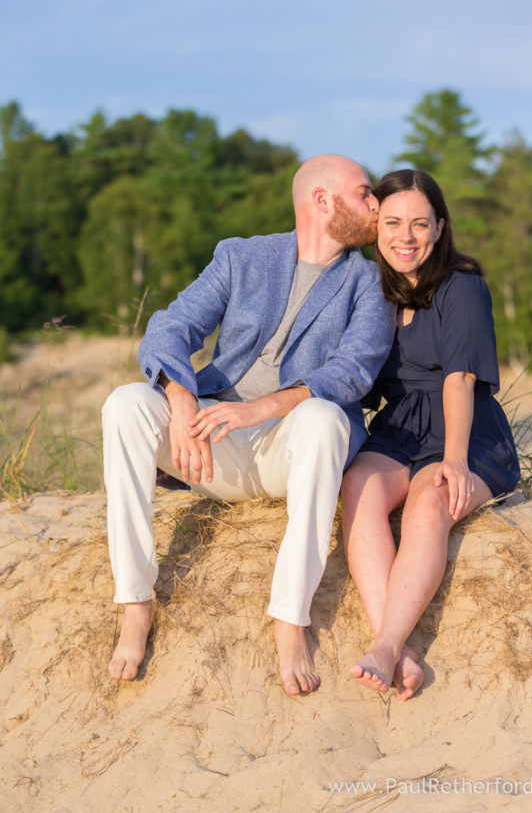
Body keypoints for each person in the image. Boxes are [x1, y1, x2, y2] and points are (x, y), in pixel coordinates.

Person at [102, 153, 397, 696]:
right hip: (211, 445)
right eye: (363, 193)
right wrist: (182, 397)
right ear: (322, 199)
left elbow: (354, 369)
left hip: (294, 451)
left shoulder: (369, 281)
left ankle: (291, 619)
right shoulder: (241, 257)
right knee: (124, 402)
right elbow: (170, 326)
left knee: (325, 416)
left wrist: (262, 408)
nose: (376, 205)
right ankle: (136, 603)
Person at [341, 169, 520, 700]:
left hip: (465, 429)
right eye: (393, 222)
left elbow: (461, 378)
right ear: (376, 226)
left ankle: (387, 644)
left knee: (428, 504)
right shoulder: (370, 287)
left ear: (440, 228)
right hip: (398, 429)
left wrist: (457, 461)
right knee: (358, 488)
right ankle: (401, 650)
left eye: (420, 224)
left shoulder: (461, 284)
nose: (406, 236)